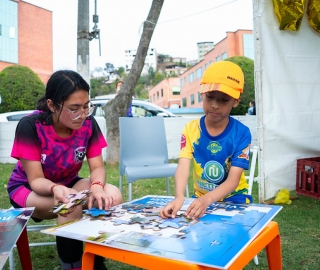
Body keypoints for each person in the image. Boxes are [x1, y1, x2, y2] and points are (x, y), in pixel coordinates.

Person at [7, 70, 123, 270]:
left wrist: (96, 187)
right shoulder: (31, 126)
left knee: (111, 195)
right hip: (29, 188)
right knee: (70, 204)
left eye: (86, 106)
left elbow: (97, 167)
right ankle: (72, 265)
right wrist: (55, 189)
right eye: (74, 108)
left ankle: (95, 260)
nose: (82, 115)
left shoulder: (88, 123)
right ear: (52, 105)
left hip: (69, 183)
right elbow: (35, 180)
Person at [160, 61, 252, 220]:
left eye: (224, 100)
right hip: (200, 198)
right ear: (202, 94)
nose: (215, 105)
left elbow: (233, 180)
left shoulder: (242, 134)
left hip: (234, 198)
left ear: (236, 101)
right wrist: (179, 197)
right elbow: (183, 167)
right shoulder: (190, 129)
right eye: (210, 97)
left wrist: (207, 199)